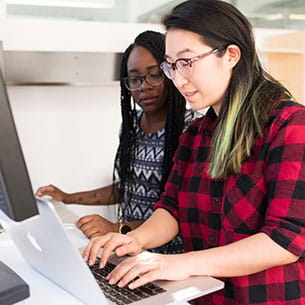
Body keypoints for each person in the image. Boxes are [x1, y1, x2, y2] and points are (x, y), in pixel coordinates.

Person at [83, 1, 305, 305]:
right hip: (204, 297)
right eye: (171, 65)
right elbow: (171, 208)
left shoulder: (291, 126)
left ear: (231, 55)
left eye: (187, 62)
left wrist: (176, 263)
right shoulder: (195, 135)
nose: (178, 79)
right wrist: (133, 239)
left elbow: (284, 240)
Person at [36, 30, 196, 254]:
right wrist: (67, 197)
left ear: (170, 73)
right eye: (134, 79)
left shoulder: (193, 130)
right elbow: (127, 188)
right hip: (131, 251)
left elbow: (185, 214)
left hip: (171, 257)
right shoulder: (131, 125)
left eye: (154, 75)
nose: (143, 86)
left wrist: (116, 229)